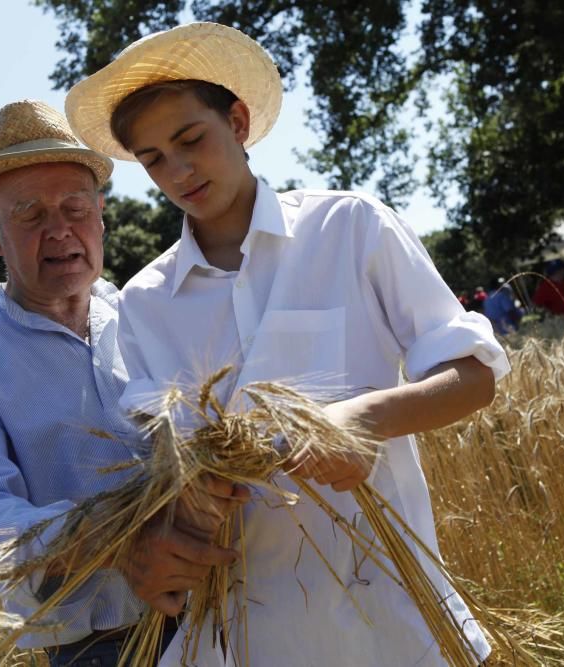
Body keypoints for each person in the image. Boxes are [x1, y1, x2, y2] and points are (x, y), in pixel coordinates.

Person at [66, 22, 511, 667]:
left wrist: (365, 418)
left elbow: (475, 376)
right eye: (154, 158)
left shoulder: (350, 227)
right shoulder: (143, 304)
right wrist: (188, 496)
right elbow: (165, 472)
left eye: (192, 139)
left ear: (239, 122)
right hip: (246, 637)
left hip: (393, 618)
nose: (179, 170)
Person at [0, 99, 243, 665]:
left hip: (233, 613)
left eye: (74, 208)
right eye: (30, 215)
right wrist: (121, 541)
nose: (59, 231)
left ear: (101, 215)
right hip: (100, 649)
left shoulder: (152, 313)